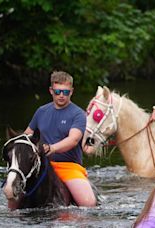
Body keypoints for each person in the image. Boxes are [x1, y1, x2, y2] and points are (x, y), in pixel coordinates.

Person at [23, 71, 97, 207]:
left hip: (69, 167)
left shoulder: (78, 114)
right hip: (42, 165)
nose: (61, 95)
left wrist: (52, 148)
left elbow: (73, 140)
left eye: (66, 92)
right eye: (58, 92)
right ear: (51, 91)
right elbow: (27, 135)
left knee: (88, 203)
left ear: (72, 91)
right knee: (12, 199)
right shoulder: (41, 111)